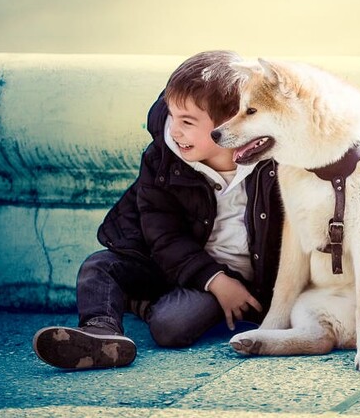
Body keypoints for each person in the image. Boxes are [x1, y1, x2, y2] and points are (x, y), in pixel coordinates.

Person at [32, 50, 283, 370]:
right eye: (172, 115)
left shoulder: (272, 164)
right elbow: (162, 235)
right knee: (99, 265)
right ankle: (101, 331)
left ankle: (146, 306)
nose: (174, 130)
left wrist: (231, 285)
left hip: (239, 279)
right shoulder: (163, 158)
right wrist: (214, 280)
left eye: (187, 122)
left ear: (229, 123)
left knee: (171, 326)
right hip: (172, 264)